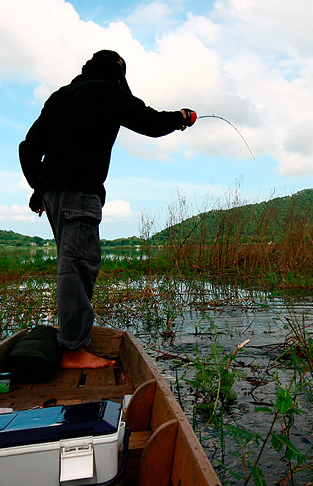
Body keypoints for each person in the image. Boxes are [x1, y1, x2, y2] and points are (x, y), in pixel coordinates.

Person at [19, 50, 196, 369]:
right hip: (79, 190)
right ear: (118, 75)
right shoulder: (109, 91)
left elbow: (28, 148)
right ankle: (73, 350)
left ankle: (73, 341)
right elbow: (152, 122)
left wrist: (39, 189)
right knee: (78, 265)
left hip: (54, 192)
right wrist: (182, 117)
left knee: (71, 261)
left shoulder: (61, 96)